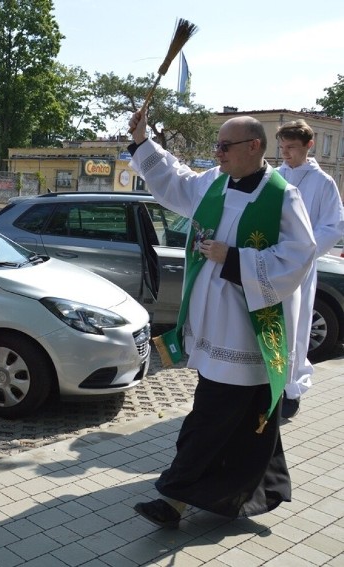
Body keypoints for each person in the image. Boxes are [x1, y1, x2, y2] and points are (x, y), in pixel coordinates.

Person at [127, 110, 315, 528]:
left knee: (210, 417)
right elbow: (174, 178)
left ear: (254, 147)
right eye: (217, 145)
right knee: (248, 422)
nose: (217, 153)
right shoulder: (214, 181)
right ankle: (263, 489)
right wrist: (141, 142)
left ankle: (173, 500)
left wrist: (233, 259)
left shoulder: (282, 196)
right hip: (214, 326)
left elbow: (298, 257)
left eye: (224, 146)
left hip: (247, 333)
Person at [275, 120, 344, 419]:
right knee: (272, 326)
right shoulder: (275, 177)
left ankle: (292, 387)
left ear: (308, 146)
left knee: (297, 326)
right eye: (282, 147)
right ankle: (268, 384)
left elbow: (333, 225)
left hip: (301, 267)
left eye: (291, 148)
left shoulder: (323, 183)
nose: (285, 154)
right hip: (272, 263)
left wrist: (305, 251)